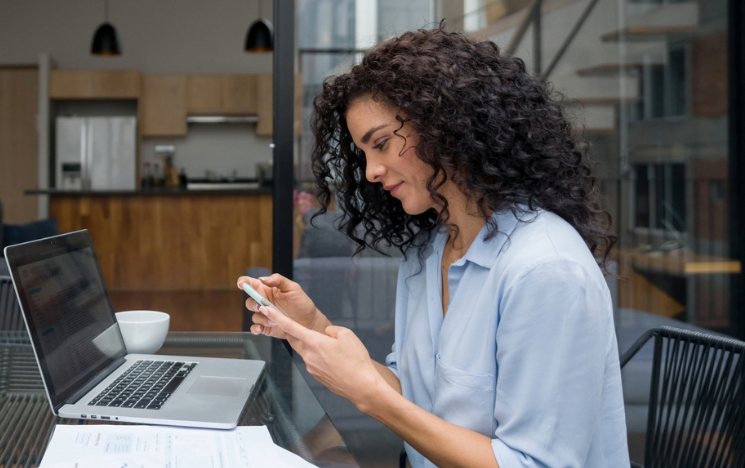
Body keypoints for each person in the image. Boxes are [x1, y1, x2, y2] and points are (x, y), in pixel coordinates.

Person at [238, 27, 629, 467]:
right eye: (364, 153)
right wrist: (313, 327)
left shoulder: (546, 271)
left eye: (382, 144)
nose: (370, 172)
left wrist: (371, 398)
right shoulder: (432, 248)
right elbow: (416, 394)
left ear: (448, 127)